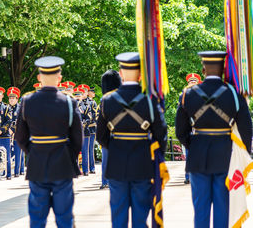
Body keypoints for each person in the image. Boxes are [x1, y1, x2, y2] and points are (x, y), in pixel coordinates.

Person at [175, 51, 252, 228]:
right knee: (223, 209)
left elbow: (180, 130)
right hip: (226, 154)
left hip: (198, 155)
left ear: (203, 70)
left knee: (200, 210)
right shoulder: (234, 94)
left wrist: (193, 145)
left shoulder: (187, 94)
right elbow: (246, 129)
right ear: (224, 69)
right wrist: (242, 154)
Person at [96, 52, 167, 228]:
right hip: (142, 162)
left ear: (121, 74)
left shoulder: (107, 100)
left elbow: (101, 136)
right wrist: (156, 155)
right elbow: (161, 134)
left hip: (116, 162)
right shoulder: (150, 100)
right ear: (141, 75)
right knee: (140, 215)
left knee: (118, 216)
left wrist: (115, 147)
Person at [15, 56, 83, 228]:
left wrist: (34, 151)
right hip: (62, 164)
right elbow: (77, 138)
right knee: (64, 216)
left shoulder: (27, 101)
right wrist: (69, 156)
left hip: (37, 163)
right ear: (59, 78)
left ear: (39, 78)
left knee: (37, 218)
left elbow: (21, 137)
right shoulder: (69, 102)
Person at [98, 70, 122, 189]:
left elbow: (101, 123)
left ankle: (105, 181)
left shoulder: (104, 100)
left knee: (106, 160)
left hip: (109, 135)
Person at [182, 73, 202, 184]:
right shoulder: (184, 95)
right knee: (189, 153)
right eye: (191, 82)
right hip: (189, 127)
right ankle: (188, 176)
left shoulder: (202, 94)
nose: (192, 83)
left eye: (194, 82)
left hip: (200, 127)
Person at [7, 87, 24, 177]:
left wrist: (12, 129)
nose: (11, 99)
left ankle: (18, 170)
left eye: (13, 98)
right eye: (10, 98)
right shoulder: (6, 108)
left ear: (17, 99)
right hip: (8, 133)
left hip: (18, 133)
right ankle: (7, 170)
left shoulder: (20, 108)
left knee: (18, 152)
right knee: (8, 152)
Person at [77, 84, 92, 176]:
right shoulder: (71, 104)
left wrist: (83, 124)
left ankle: (86, 170)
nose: (78, 97)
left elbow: (89, 117)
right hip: (75, 132)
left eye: (79, 95)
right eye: (76, 95)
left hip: (84, 131)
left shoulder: (85, 106)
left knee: (85, 151)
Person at [87, 87, 98, 174]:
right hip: (86, 128)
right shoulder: (85, 102)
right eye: (92, 91)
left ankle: (92, 167)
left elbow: (95, 115)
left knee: (90, 149)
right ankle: (87, 168)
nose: (94, 93)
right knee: (86, 149)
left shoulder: (93, 102)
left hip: (91, 127)